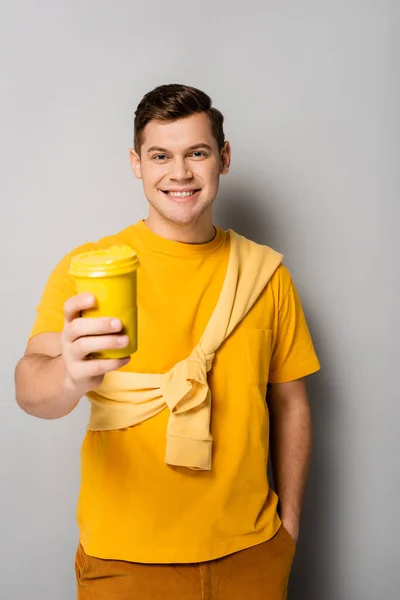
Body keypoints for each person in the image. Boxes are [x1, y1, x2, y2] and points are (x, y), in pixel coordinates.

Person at [15, 83, 320, 600]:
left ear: (223, 158)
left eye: (196, 153)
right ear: (137, 163)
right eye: (161, 155)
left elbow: (290, 404)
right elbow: (29, 385)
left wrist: (286, 531)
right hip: (125, 562)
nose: (179, 173)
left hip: (252, 555)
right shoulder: (91, 268)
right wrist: (68, 374)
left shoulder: (266, 274)